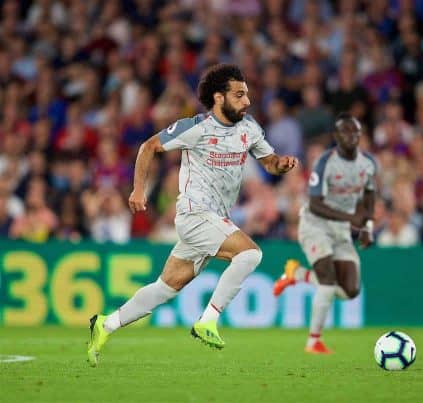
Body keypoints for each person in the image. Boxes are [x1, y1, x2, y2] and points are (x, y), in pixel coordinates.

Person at [87, 64, 298, 366]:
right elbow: (149, 147)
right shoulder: (195, 127)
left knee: (165, 288)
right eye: (239, 95)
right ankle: (208, 321)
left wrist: (283, 164)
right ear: (218, 97)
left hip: (215, 219)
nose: (247, 101)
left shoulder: (249, 128)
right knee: (250, 255)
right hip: (195, 214)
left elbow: (269, 162)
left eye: (247, 94)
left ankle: (104, 325)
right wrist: (137, 190)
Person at [272, 113, 377, 354]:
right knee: (328, 283)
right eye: (344, 133)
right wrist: (352, 219)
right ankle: (313, 342)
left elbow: (369, 197)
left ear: (359, 136)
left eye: (354, 133)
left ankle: (296, 274)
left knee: (350, 290)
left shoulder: (368, 164)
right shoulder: (324, 163)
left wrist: (367, 227)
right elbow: (316, 203)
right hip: (315, 225)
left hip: (340, 231)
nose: (350, 137)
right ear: (336, 137)